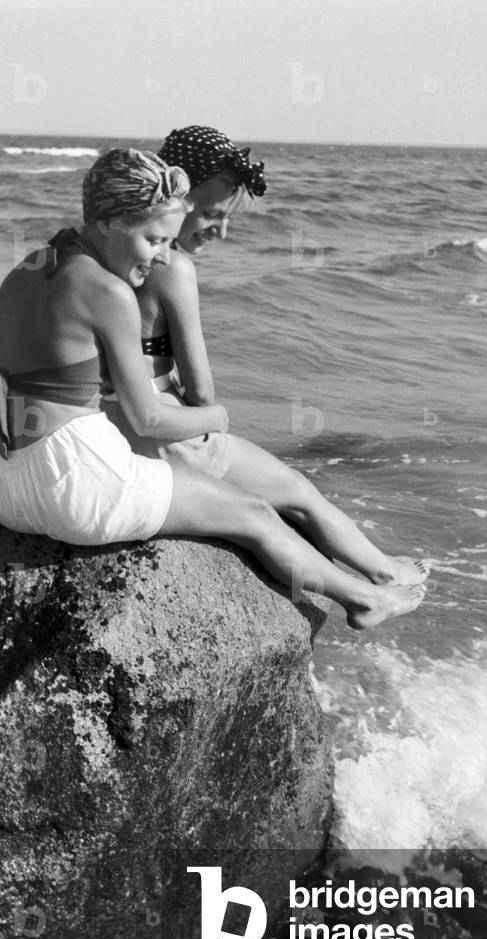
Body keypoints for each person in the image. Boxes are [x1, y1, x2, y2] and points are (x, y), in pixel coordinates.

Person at [0, 148, 425, 630]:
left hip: (13, 488)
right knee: (253, 513)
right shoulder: (106, 291)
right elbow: (150, 420)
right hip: (79, 488)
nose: (162, 255)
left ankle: (368, 583)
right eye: (152, 239)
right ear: (110, 222)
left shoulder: (27, 268)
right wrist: (215, 418)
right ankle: (364, 599)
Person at [105, 127, 430, 589]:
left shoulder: (104, 252)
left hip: (107, 421)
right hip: (163, 429)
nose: (220, 231)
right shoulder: (172, 267)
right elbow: (201, 392)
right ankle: (383, 571)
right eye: (211, 214)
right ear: (178, 195)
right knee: (299, 494)